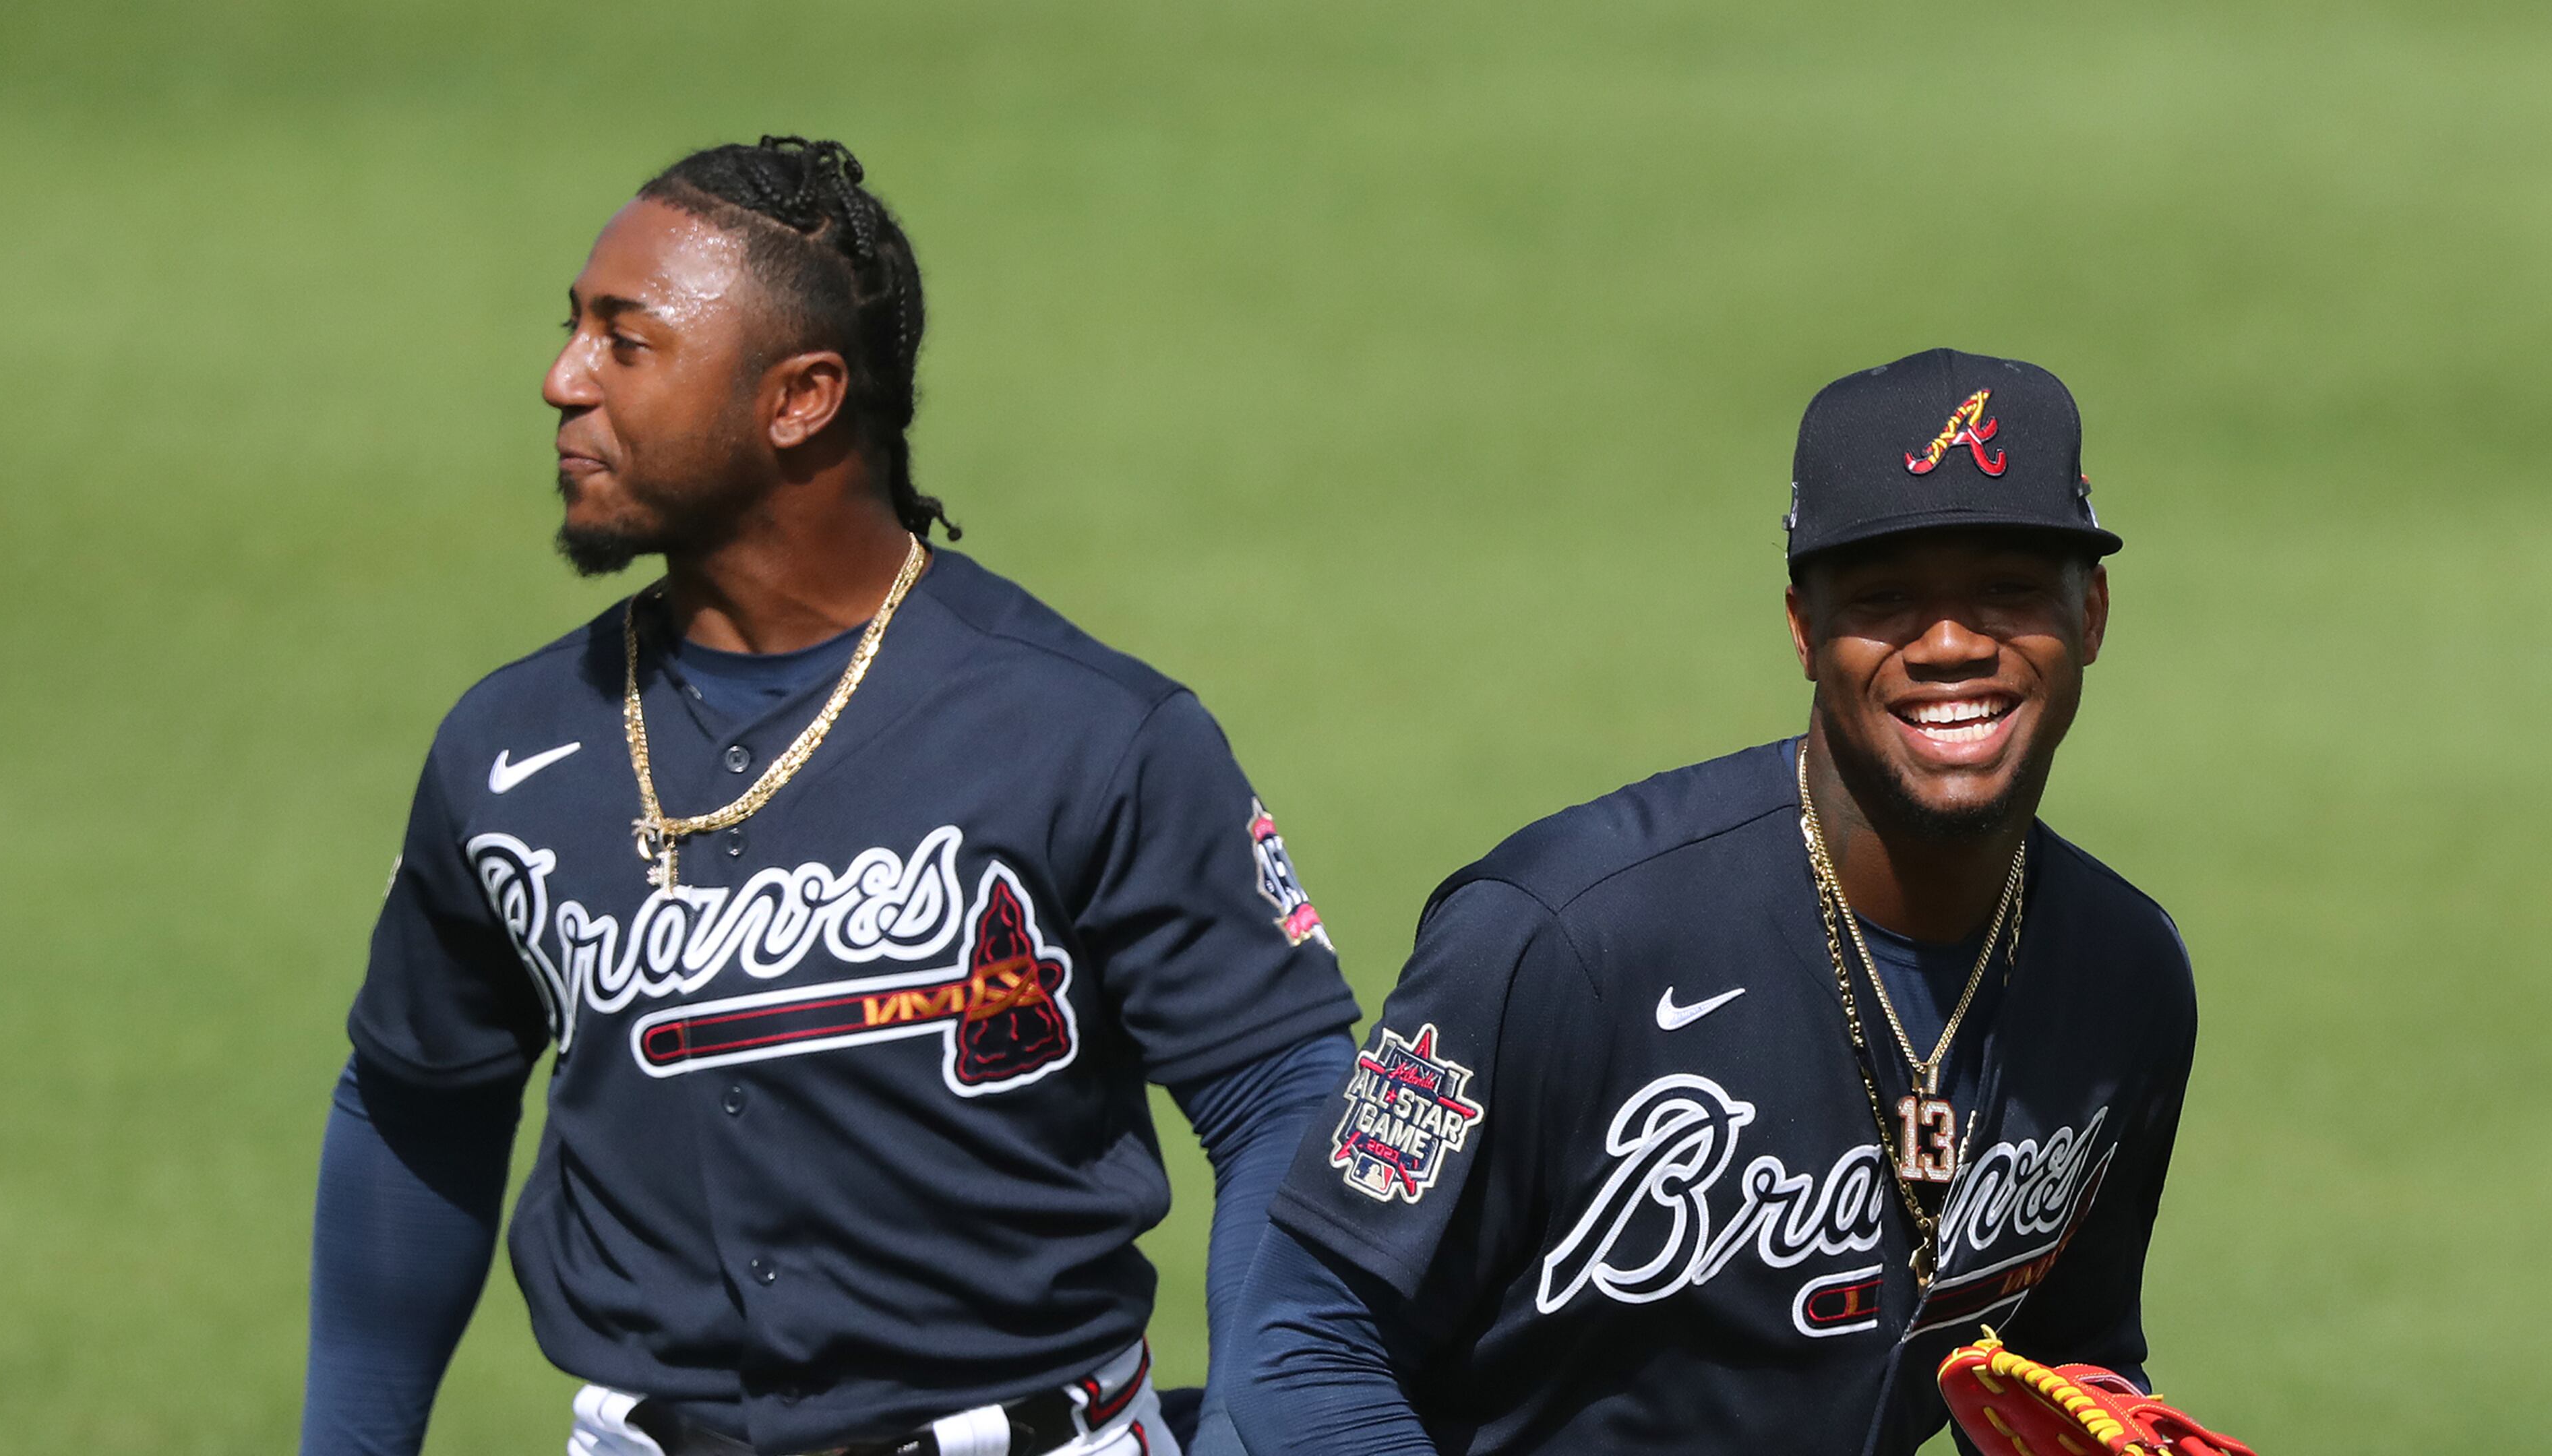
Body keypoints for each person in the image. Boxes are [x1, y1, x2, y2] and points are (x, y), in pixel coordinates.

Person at [297, 135, 1359, 1456]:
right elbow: (417, 1107)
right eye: (573, 331)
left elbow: (1283, 1094)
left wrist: (1280, 1426)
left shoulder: (1091, 734)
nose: (562, 380)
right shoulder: (510, 749)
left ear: (799, 398)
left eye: (625, 343)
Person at [1225, 348, 2197, 1455]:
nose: (1950, 644)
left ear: (2094, 614)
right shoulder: (1562, 935)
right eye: (1885, 601)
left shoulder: (2124, 977)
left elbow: (2058, 1378)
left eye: (2009, 592)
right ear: (1802, 629)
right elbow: (1302, 1344)